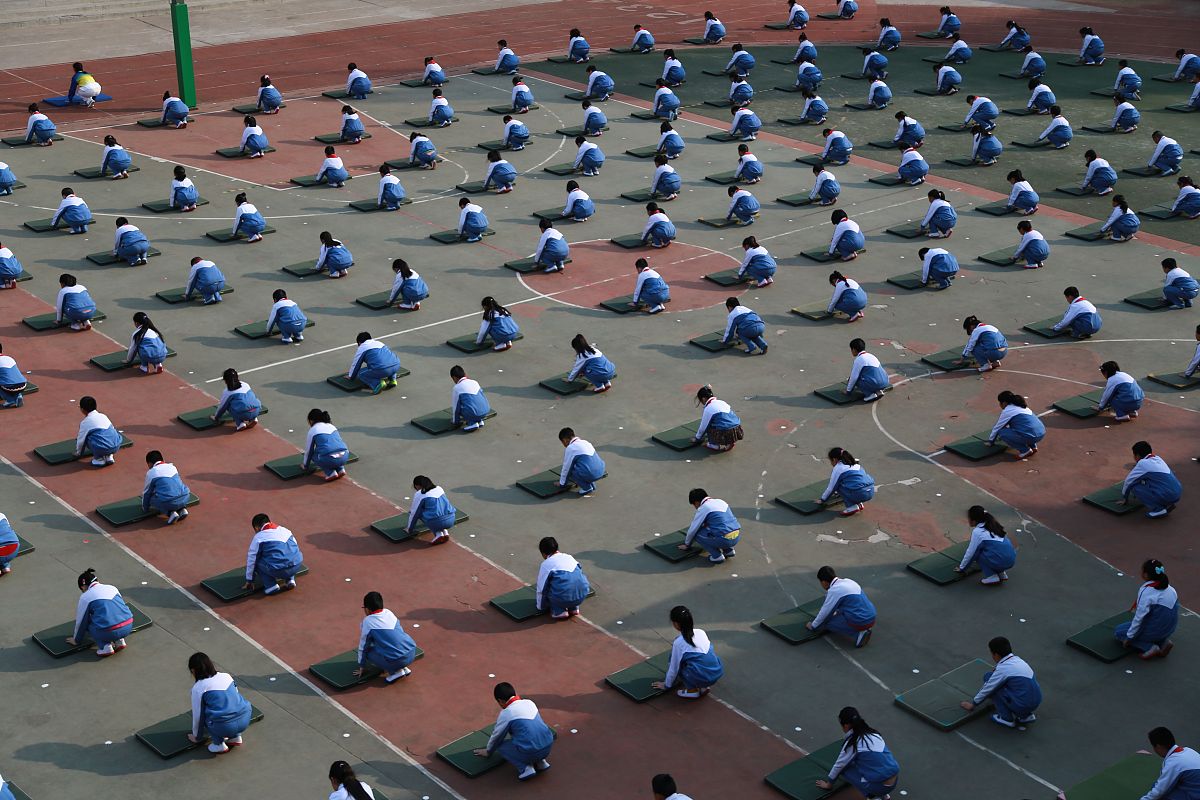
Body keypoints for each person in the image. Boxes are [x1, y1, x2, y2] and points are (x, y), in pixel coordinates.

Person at [473, 683, 555, 781]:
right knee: (526, 732)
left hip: (531, 752)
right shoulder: (529, 703)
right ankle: (541, 763)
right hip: (548, 746)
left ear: (500, 701)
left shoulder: (507, 713)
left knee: (500, 745)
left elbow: (497, 736)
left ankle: (525, 769)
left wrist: (488, 751)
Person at [815, 708, 900, 797]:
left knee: (845, 769)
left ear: (846, 725)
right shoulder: (874, 734)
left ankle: (873, 796)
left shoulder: (853, 743)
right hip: (894, 780)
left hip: (879, 787)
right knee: (866, 762)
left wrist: (829, 784)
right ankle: (885, 796)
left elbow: (840, 765)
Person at [960, 636, 1042, 728]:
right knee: (1017, 688)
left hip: (1022, 704)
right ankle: (1025, 716)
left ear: (996, 655)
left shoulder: (1003, 669)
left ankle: (1006, 719)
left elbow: (989, 687)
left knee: (990, 681)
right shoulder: (1018, 661)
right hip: (1036, 701)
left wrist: (973, 703)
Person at [651, 606, 724, 697]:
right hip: (716, 672)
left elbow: (674, 668)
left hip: (703, 677)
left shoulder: (679, 643)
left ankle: (692, 690)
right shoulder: (701, 632)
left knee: (679, 664)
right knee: (702, 660)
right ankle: (704, 687)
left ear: (676, 624)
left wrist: (666, 685)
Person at [188, 652, 253, 753]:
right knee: (229, 706)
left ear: (193, 670)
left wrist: (196, 736)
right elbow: (235, 697)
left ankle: (219, 744)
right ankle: (236, 737)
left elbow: (198, 715)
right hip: (245, 719)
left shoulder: (198, 688)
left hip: (225, 726)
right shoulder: (226, 676)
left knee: (205, 714)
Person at [1116, 560, 1178, 659]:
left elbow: (1139, 618)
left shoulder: (1147, 591)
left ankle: (1150, 647)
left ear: (1145, 575)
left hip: (1155, 630)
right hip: (1170, 629)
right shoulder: (1171, 589)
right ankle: (1163, 642)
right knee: (1155, 623)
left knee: (1119, 632)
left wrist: (1129, 637)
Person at [67, 568, 133, 656]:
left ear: (83, 587)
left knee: (89, 623)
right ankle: (120, 640)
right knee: (113, 614)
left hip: (108, 632)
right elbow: (119, 607)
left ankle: (106, 647)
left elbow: (81, 621)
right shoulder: (112, 587)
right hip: (128, 626)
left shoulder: (85, 597)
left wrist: (76, 640)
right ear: (97, 580)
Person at [355, 591, 418, 683]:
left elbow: (363, 647)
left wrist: (362, 665)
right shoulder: (389, 612)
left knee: (368, 651)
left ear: (367, 609)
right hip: (412, 652)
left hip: (397, 660)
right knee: (388, 643)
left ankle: (396, 672)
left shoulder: (368, 622)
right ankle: (403, 667)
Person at [807, 566, 876, 645]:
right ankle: (865, 627)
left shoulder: (835, 590)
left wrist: (813, 625)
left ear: (824, 582)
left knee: (826, 622)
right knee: (840, 611)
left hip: (861, 621)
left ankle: (859, 634)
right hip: (871, 616)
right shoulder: (848, 581)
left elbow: (825, 613)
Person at [243, 513, 303, 595]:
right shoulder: (285, 530)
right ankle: (290, 580)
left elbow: (251, 559)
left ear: (256, 528)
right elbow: (295, 546)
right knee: (288, 553)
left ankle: (271, 586)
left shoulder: (259, 537)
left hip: (278, 570)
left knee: (257, 560)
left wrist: (249, 580)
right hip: (297, 565)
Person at [957, 506, 1017, 585]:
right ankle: (1002, 574)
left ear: (974, 521)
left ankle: (992, 577)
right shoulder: (993, 525)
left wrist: (962, 568)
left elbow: (971, 553)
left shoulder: (978, 532)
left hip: (1000, 561)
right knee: (995, 552)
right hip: (1011, 560)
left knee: (978, 553)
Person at [1123, 441, 1182, 518]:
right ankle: (1166, 503)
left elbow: (1129, 481)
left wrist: (1125, 497)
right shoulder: (1158, 458)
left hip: (1168, 495)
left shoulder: (1142, 463)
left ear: (1137, 455)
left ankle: (1158, 510)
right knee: (1147, 481)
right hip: (1177, 492)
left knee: (1135, 486)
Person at [680, 489, 740, 562]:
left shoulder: (704, 507)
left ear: (696, 502)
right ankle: (729, 551)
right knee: (721, 528)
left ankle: (717, 556)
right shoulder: (720, 501)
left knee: (697, 533)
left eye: (694, 505)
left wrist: (687, 545)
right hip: (737, 536)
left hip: (724, 540)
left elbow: (693, 529)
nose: (695, 507)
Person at [536, 536, 590, 618]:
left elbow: (541, 589)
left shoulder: (546, 564)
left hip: (563, 598)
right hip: (582, 595)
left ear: (543, 553)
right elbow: (579, 573)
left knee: (549, 588)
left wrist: (540, 607)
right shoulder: (569, 557)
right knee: (570, 581)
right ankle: (574, 608)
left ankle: (559, 612)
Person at [1141, 727, 1200, 799]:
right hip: (1194, 790)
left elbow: (1159, 791)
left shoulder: (1173, 762)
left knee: (1162, 793)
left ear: (1158, 746)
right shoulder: (1189, 750)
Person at [820, 447, 875, 516]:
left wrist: (822, 499)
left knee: (838, 485)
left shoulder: (838, 468)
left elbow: (831, 488)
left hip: (859, 494)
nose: (831, 463)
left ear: (834, 459)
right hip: (871, 492)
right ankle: (859, 503)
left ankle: (852, 506)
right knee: (855, 485)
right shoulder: (855, 464)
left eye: (830, 460)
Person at [142, 450, 192, 524]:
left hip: (169, 502)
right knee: (174, 490)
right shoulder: (172, 466)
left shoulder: (151, 472)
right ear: (163, 460)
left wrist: (145, 508)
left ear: (149, 464)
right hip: (185, 497)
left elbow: (147, 493)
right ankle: (182, 509)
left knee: (150, 497)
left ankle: (170, 513)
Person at [407, 475, 458, 544]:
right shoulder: (439, 488)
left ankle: (438, 534)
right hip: (451, 519)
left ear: (418, 485)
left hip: (436, 523)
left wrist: (409, 529)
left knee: (419, 512)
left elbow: (414, 513)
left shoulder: (419, 494)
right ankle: (445, 531)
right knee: (438, 510)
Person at [303, 409, 350, 481]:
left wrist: (305, 465)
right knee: (333, 452)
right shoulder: (332, 426)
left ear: (311, 420)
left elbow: (309, 451)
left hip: (329, 459)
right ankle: (341, 469)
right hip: (345, 456)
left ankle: (330, 473)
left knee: (314, 455)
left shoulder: (313, 430)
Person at [693, 385, 743, 451]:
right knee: (722, 422)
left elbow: (703, 427)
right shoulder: (722, 402)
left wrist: (697, 438)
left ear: (704, 399)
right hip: (737, 429)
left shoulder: (708, 408)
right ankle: (730, 442)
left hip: (725, 431)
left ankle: (714, 445)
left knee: (710, 424)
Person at [75, 396, 123, 465]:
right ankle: (109, 456)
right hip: (116, 445)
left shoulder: (85, 422)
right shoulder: (103, 416)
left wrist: (78, 452)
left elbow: (80, 440)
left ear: (82, 409)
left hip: (102, 449)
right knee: (109, 431)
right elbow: (112, 428)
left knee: (87, 437)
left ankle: (99, 459)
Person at [558, 427, 606, 495]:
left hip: (591, 474)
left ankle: (587, 488)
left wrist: (562, 484)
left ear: (565, 440)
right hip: (601, 470)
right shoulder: (585, 442)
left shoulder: (571, 448)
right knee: (585, 466)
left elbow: (566, 468)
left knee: (573, 470)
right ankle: (592, 485)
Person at [450, 365, 492, 432]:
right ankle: (479, 420)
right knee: (474, 402)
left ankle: (472, 423)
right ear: (464, 374)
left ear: (454, 378)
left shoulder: (457, 388)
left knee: (461, 406)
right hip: (486, 410)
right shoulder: (474, 382)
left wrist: (455, 422)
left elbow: (455, 408)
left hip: (474, 413)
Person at [0, 343, 26, 409]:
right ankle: (18, 395)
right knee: (8, 379)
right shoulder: (9, 358)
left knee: (6, 382)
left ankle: (9, 400)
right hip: (23, 384)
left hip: (10, 386)